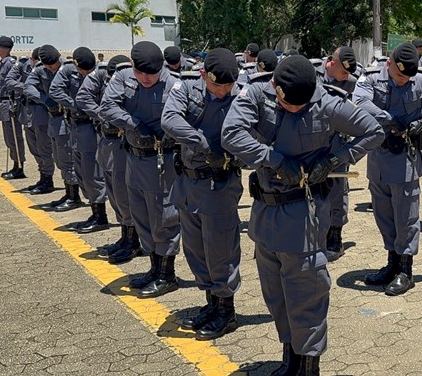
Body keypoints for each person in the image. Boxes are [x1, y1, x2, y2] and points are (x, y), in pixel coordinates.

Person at [222, 54, 383, 376]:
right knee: (276, 295)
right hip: (265, 211)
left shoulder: (328, 102)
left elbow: (373, 131)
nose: (296, 108)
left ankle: (308, 366)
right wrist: (274, 159)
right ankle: (290, 359)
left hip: (304, 215)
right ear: (275, 87)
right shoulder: (256, 93)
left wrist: (335, 161)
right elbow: (232, 133)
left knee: (306, 297)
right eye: (288, 103)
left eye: (302, 105)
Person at [353, 42, 422, 295]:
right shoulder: (371, 77)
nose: (402, 81)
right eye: (399, 76)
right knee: (383, 214)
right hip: (378, 155)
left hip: (405, 159)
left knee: (406, 216)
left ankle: (405, 270)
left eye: (406, 77)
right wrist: (389, 120)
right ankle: (392, 263)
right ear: (389, 63)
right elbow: (360, 102)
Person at [162, 48, 243, 340]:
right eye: (216, 85)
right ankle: (211, 301)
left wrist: (231, 153)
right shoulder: (186, 88)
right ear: (202, 75)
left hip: (219, 186)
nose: (222, 91)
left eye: (227, 85)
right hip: (188, 182)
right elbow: (170, 119)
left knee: (220, 250)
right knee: (195, 249)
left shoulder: (241, 97)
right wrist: (202, 143)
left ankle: (226, 310)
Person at [100, 41, 182, 298]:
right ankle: (154, 268)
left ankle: (167, 274)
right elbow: (107, 107)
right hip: (133, 158)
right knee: (141, 215)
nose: (146, 79)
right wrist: (133, 123)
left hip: (162, 160)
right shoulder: (123, 77)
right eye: (141, 73)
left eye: (152, 74)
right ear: (133, 67)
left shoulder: (174, 83)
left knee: (164, 216)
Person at [77, 55, 141, 263]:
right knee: (114, 193)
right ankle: (124, 237)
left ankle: (133, 241)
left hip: (121, 144)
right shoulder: (106, 77)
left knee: (123, 195)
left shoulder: (134, 84)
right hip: (106, 141)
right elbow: (84, 98)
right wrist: (102, 114)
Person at [50, 46, 109, 232]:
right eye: (82, 70)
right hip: (75, 126)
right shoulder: (68, 70)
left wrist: (91, 110)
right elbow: (55, 89)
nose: (85, 73)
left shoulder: (102, 73)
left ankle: (100, 216)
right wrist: (74, 105)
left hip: (92, 128)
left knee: (93, 174)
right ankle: (94, 211)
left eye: (87, 70)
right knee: (82, 172)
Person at [25, 45, 83, 210]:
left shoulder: (71, 68)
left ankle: (74, 196)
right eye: (47, 65)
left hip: (70, 119)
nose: (51, 68)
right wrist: (44, 99)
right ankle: (68, 192)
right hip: (54, 119)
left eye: (53, 64)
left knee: (69, 157)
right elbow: (28, 87)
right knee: (60, 158)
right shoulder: (39, 70)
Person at [315, 46, 358, 261]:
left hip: (338, 144)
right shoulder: (312, 75)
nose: (346, 77)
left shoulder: (352, 82)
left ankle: (335, 236)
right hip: (311, 142)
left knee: (338, 189)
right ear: (332, 63)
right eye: (343, 72)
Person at [12, 48, 56, 194]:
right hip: (30, 111)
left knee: (44, 148)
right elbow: (27, 87)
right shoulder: (35, 70)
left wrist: (45, 100)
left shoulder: (57, 68)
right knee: (34, 147)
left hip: (43, 114)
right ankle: (43, 176)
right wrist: (43, 98)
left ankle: (48, 179)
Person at [0, 36, 27, 180]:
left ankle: (19, 167)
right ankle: (15, 165)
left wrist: (15, 102)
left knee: (14, 136)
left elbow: (15, 83)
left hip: (10, 103)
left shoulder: (11, 63)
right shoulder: (3, 63)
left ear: (5, 48)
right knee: (8, 137)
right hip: (3, 103)